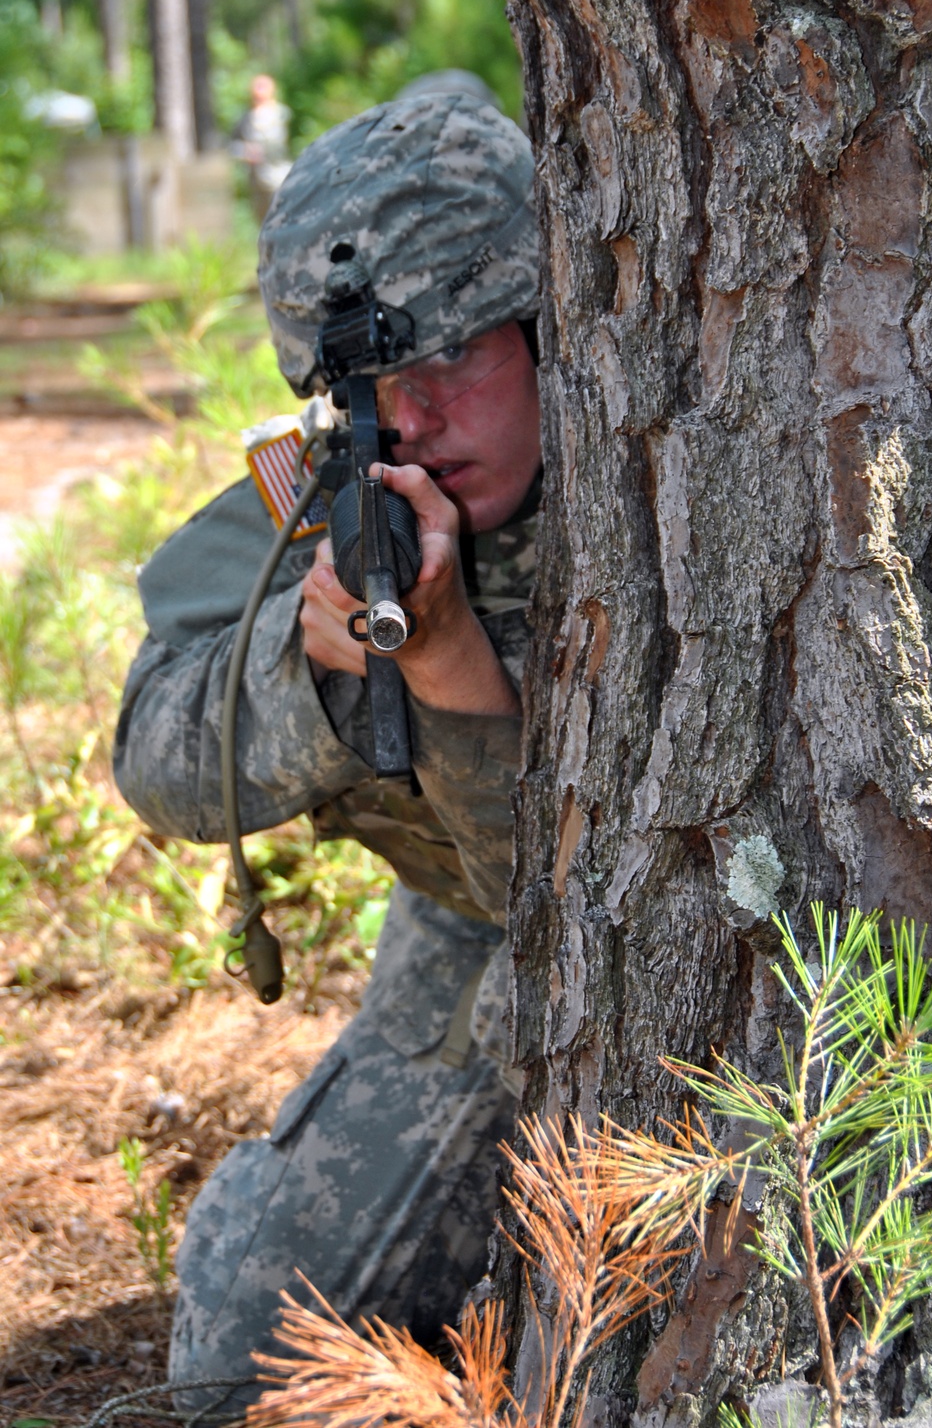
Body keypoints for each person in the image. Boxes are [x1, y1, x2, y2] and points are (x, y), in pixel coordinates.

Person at [113, 91, 541, 1412]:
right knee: (257, 1358)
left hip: (747, 957)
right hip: (472, 945)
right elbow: (156, 753)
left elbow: (583, 889)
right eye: (362, 386)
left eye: (454, 356)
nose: (407, 419)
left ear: (554, 322)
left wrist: (457, 674)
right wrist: (320, 669)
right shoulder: (337, 501)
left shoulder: (685, 473)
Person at [231, 73, 293, 222]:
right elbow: (232, 145)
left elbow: (283, 146)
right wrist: (244, 152)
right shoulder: (246, 118)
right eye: (256, 87)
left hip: (278, 177)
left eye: (263, 87)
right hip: (256, 181)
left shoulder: (282, 115)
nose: (258, 92)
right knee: (262, 220)